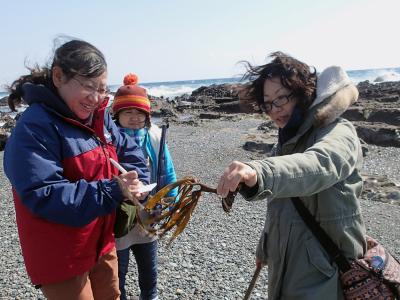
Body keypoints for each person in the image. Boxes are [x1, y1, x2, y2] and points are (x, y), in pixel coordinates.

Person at [3, 39, 150, 300]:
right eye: (88, 86)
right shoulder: (35, 127)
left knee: (112, 294)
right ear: (58, 77)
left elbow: (128, 149)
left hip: (101, 239)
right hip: (61, 255)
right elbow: (43, 193)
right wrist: (112, 190)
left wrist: (139, 180)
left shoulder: (101, 117)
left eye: (102, 89)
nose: (96, 98)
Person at [216, 52, 366, 300]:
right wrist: (265, 247)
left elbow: (319, 165)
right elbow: (282, 206)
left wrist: (260, 170)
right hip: (286, 267)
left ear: (303, 92)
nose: (275, 110)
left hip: (325, 274)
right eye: (268, 103)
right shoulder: (287, 142)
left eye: (282, 98)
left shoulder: (339, 131)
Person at [111, 74, 178, 300]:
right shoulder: (108, 141)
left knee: (149, 268)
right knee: (118, 272)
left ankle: (150, 296)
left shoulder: (155, 137)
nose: (134, 117)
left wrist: (172, 201)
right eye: (128, 112)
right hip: (120, 215)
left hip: (149, 211)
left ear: (147, 115)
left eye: (140, 112)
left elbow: (166, 171)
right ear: (116, 114)